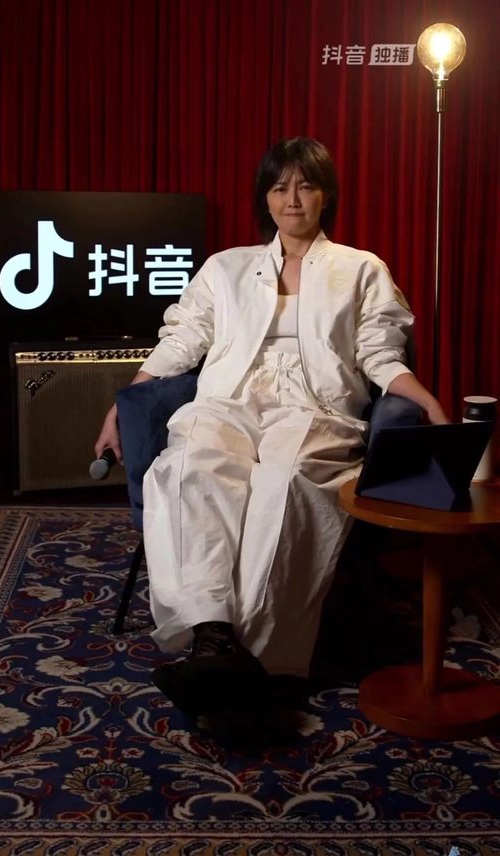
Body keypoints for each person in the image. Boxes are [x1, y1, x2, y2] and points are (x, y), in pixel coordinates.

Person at [95, 137, 449, 717]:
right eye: (280, 187)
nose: (293, 200)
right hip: (228, 399)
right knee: (189, 466)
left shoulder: (361, 269)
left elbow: (380, 353)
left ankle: (259, 657)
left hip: (315, 406)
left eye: (306, 186)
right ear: (265, 197)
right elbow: (182, 341)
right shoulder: (226, 268)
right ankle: (212, 634)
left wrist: (426, 400)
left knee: (284, 482)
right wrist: (123, 403)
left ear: (326, 195)